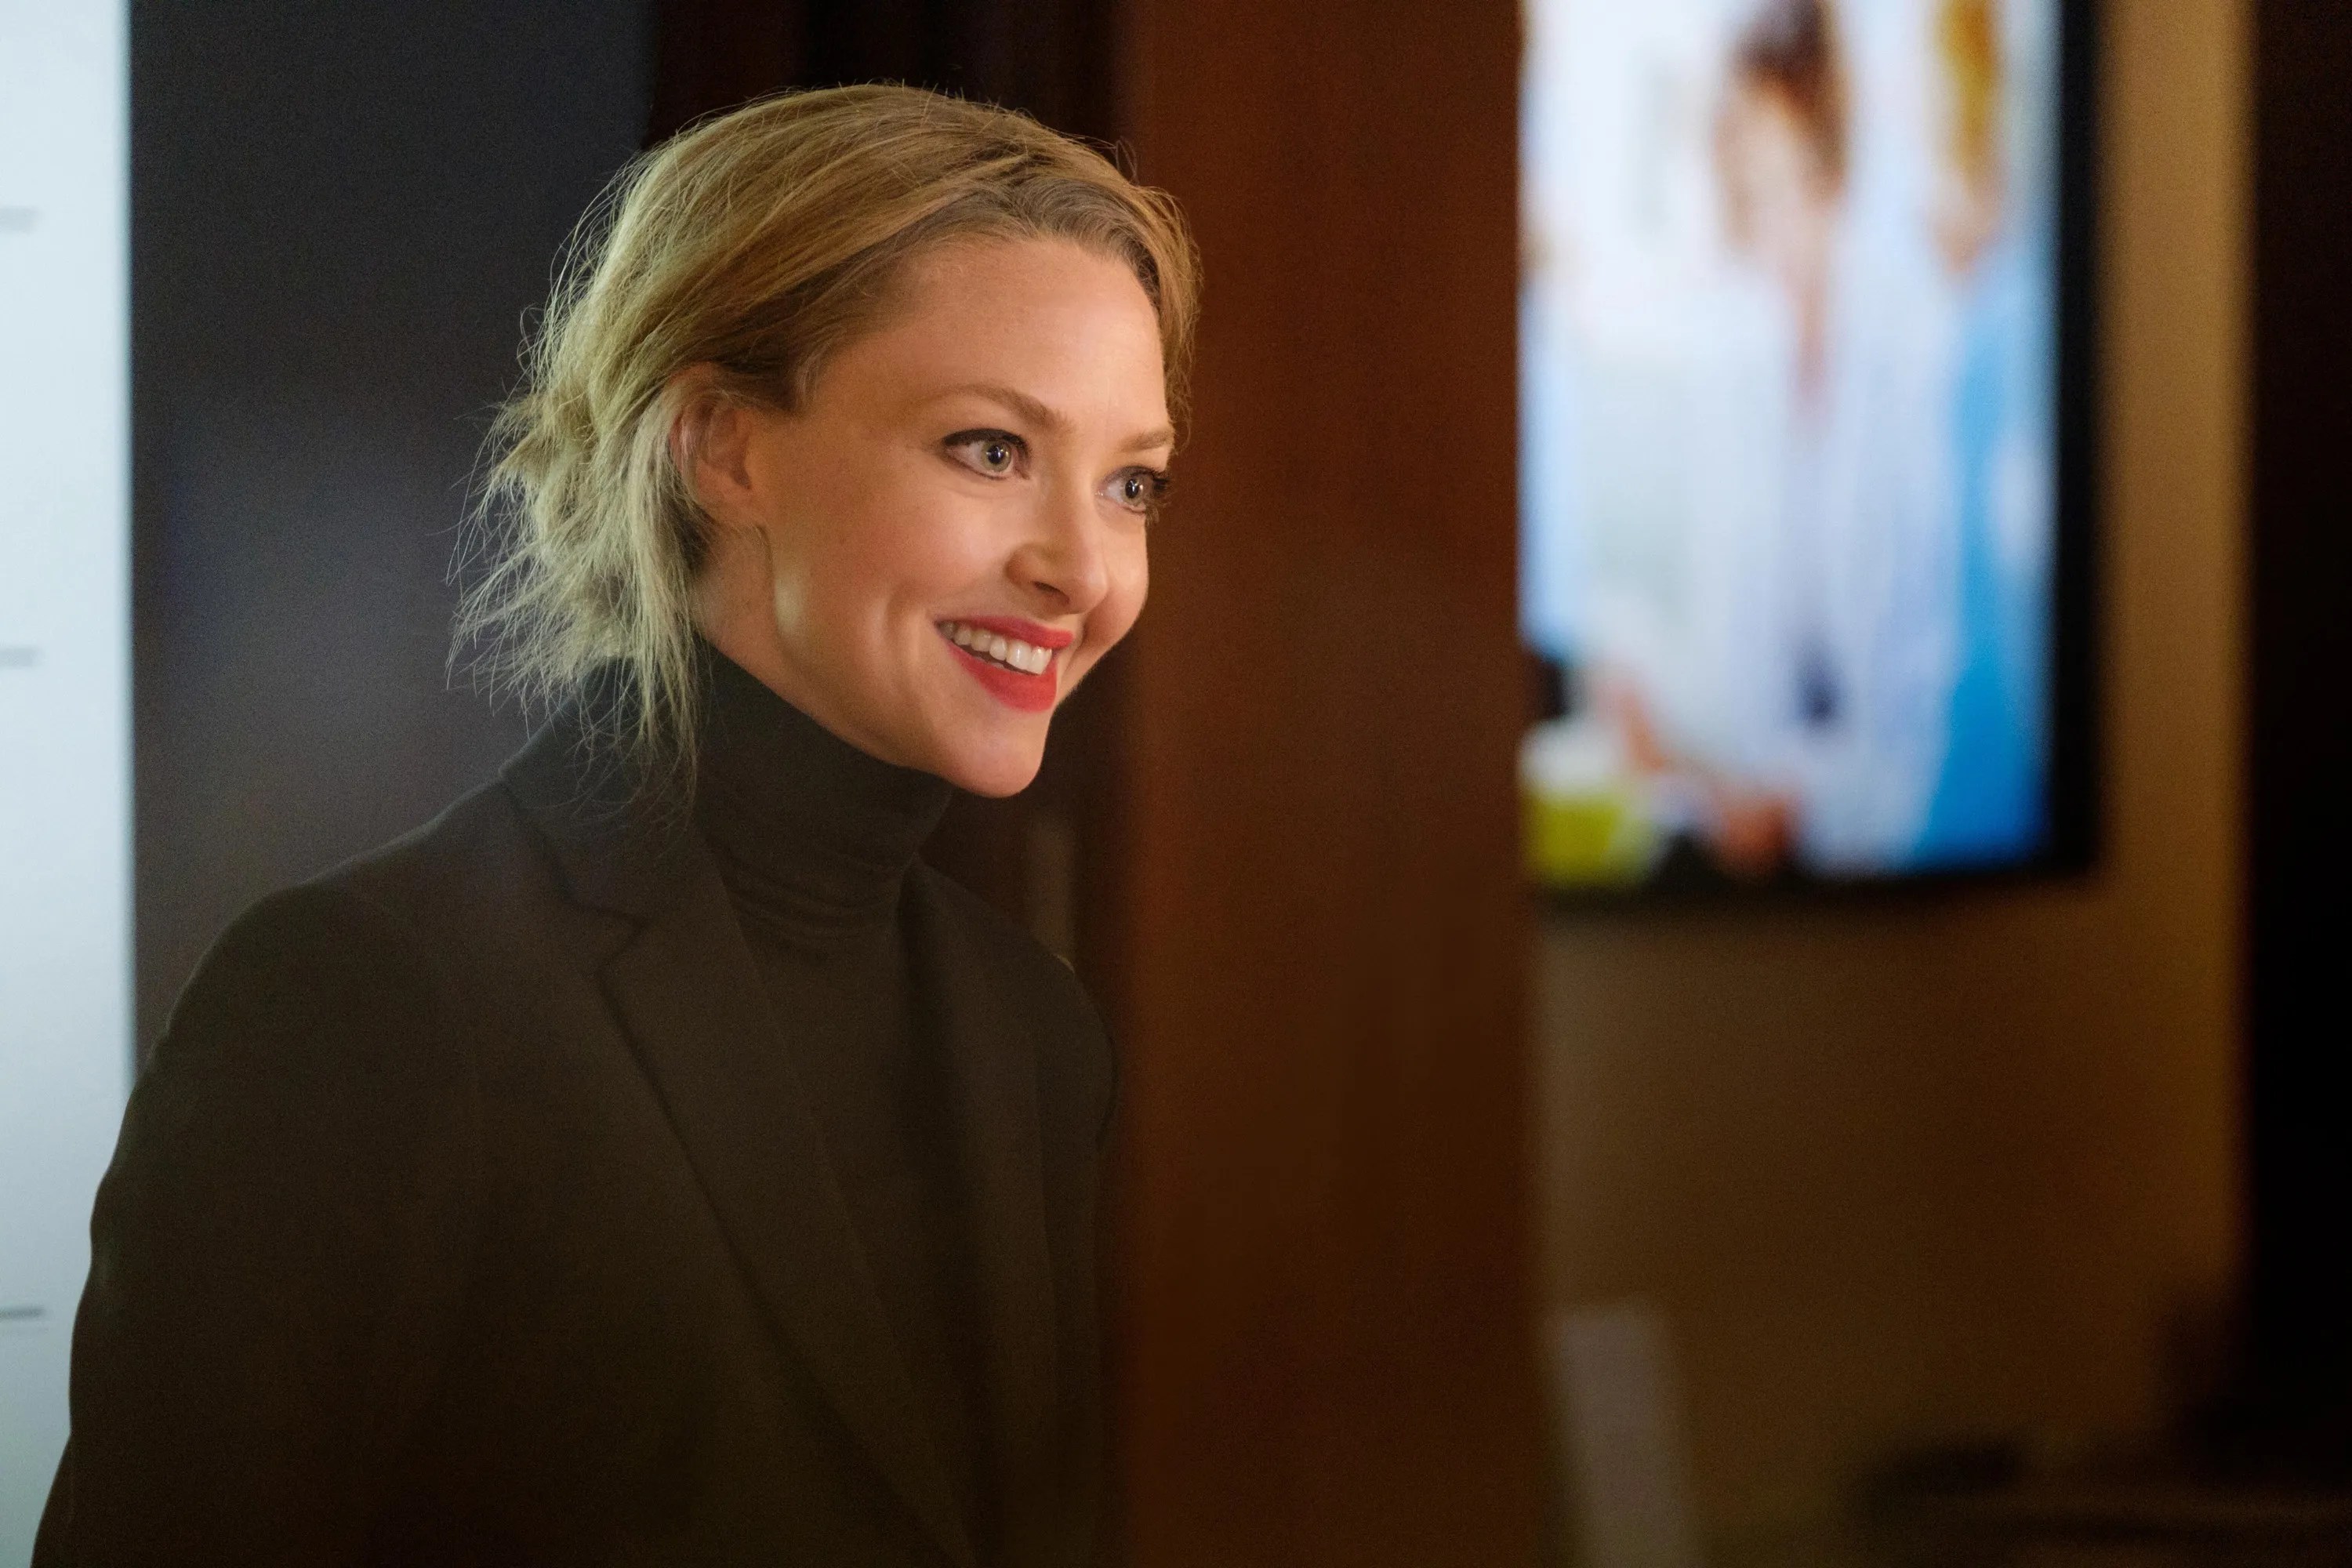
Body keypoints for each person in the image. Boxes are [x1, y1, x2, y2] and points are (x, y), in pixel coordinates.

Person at [34, 84, 1197, 1567]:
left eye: (1132, 483)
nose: (1083, 570)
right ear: (723, 446)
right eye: (990, 449)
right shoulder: (368, 1001)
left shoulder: (1030, 1030)